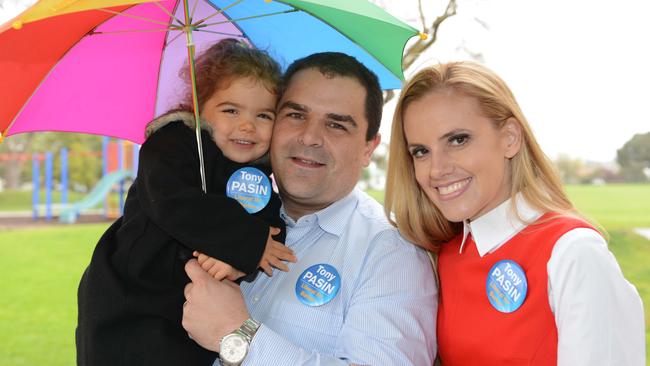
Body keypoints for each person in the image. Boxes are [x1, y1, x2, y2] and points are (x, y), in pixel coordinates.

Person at [181, 52, 438, 365]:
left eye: (336, 125)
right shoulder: (221, 212)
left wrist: (236, 333)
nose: (310, 137)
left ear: (369, 148)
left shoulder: (391, 255)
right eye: (296, 115)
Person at [384, 60, 645, 365]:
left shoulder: (572, 252)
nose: (437, 169)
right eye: (421, 151)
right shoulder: (444, 253)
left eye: (458, 140)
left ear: (510, 137)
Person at [76, 39, 296, 366]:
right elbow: (173, 202)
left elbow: (269, 223)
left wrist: (241, 257)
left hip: (186, 312)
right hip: (132, 296)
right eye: (231, 110)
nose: (247, 125)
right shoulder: (172, 143)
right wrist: (245, 242)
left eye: (263, 115)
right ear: (199, 107)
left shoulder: (253, 173)